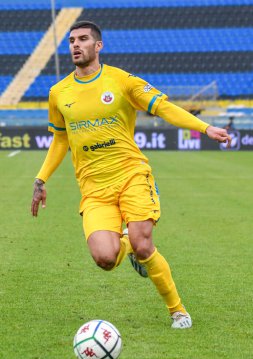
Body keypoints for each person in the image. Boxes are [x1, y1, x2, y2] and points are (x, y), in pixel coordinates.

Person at [31, 21, 231, 329]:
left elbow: (163, 107)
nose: (75, 45)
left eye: (83, 39)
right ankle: (123, 244)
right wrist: (41, 179)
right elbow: (60, 139)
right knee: (105, 259)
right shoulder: (58, 93)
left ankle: (177, 310)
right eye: (71, 40)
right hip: (94, 189)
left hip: (131, 175)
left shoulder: (121, 81)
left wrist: (205, 127)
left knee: (143, 243)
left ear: (98, 46)